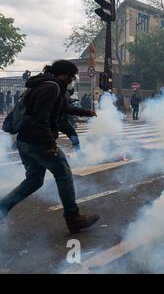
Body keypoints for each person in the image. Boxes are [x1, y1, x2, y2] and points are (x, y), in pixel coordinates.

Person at [0, 60, 99, 233]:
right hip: (37, 142)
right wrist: (49, 144)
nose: (72, 80)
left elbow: (61, 108)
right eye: (72, 76)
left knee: (34, 181)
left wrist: (85, 112)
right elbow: (41, 118)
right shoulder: (51, 87)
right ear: (64, 75)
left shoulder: (46, 85)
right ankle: (73, 217)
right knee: (64, 174)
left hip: (26, 141)